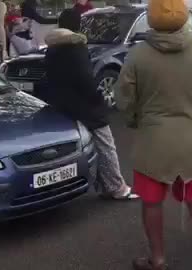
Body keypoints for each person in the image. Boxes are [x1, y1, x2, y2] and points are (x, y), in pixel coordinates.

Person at [116, 0, 192, 268]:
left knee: (152, 202)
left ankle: (158, 259)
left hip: (152, 141)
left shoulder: (138, 55)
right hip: (190, 139)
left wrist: (134, 121)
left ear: (151, 18)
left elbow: (124, 98)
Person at [39, 8, 138, 200]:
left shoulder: (52, 47)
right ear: (78, 25)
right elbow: (85, 80)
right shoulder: (76, 46)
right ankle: (116, 187)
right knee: (106, 143)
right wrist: (98, 98)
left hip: (62, 104)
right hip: (85, 106)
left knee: (85, 145)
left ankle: (103, 185)